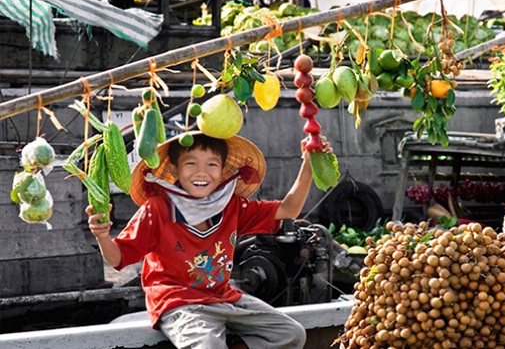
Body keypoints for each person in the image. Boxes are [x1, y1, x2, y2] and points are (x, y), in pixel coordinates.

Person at [87, 130, 333, 348]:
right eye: (191, 164)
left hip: (224, 296)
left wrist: (308, 163)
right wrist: (102, 236)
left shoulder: (231, 205)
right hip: (178, 303)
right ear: (175, 170)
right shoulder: (157, 209)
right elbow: (118, 257)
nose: (201, 172)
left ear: (223, 170)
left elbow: (289, 209)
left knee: (291, 334)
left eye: (212, 164)